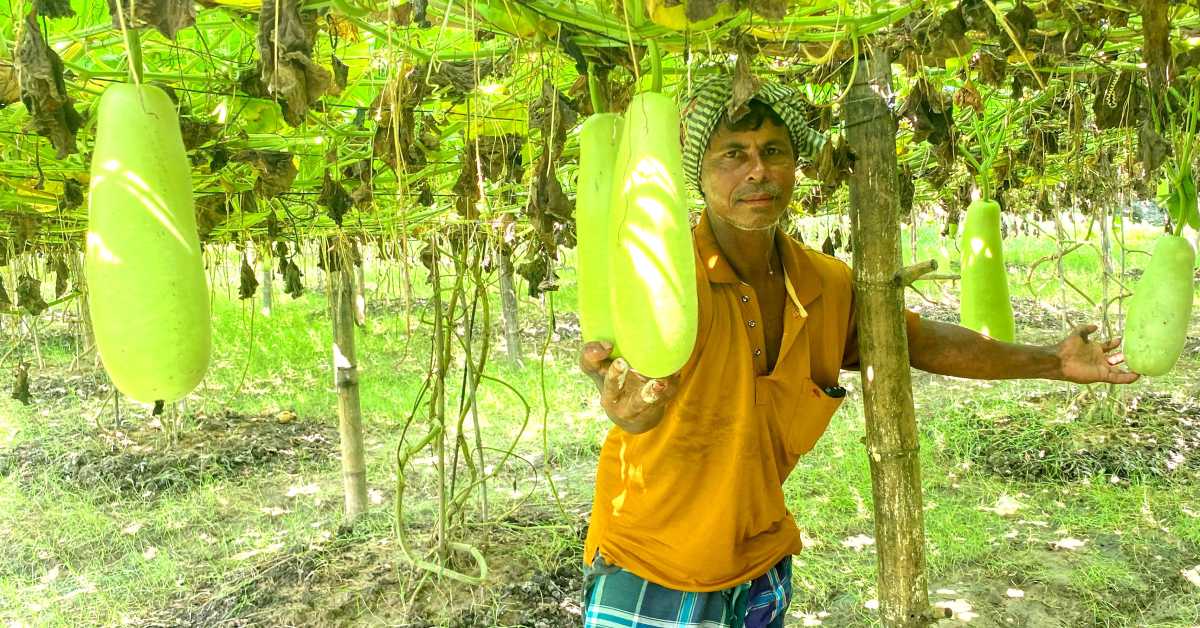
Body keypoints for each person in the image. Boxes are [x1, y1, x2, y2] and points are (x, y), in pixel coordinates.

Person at [576, 78, 1139, 628]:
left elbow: (918, 343)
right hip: (650, 563)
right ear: (696, 174)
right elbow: (629, 391)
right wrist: (627, 410)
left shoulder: (824, 283)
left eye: (774, 151)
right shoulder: (659, 280)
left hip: (760, 559)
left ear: (798, 166)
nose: (757, 171)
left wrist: (1054, 362)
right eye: (732, 154)